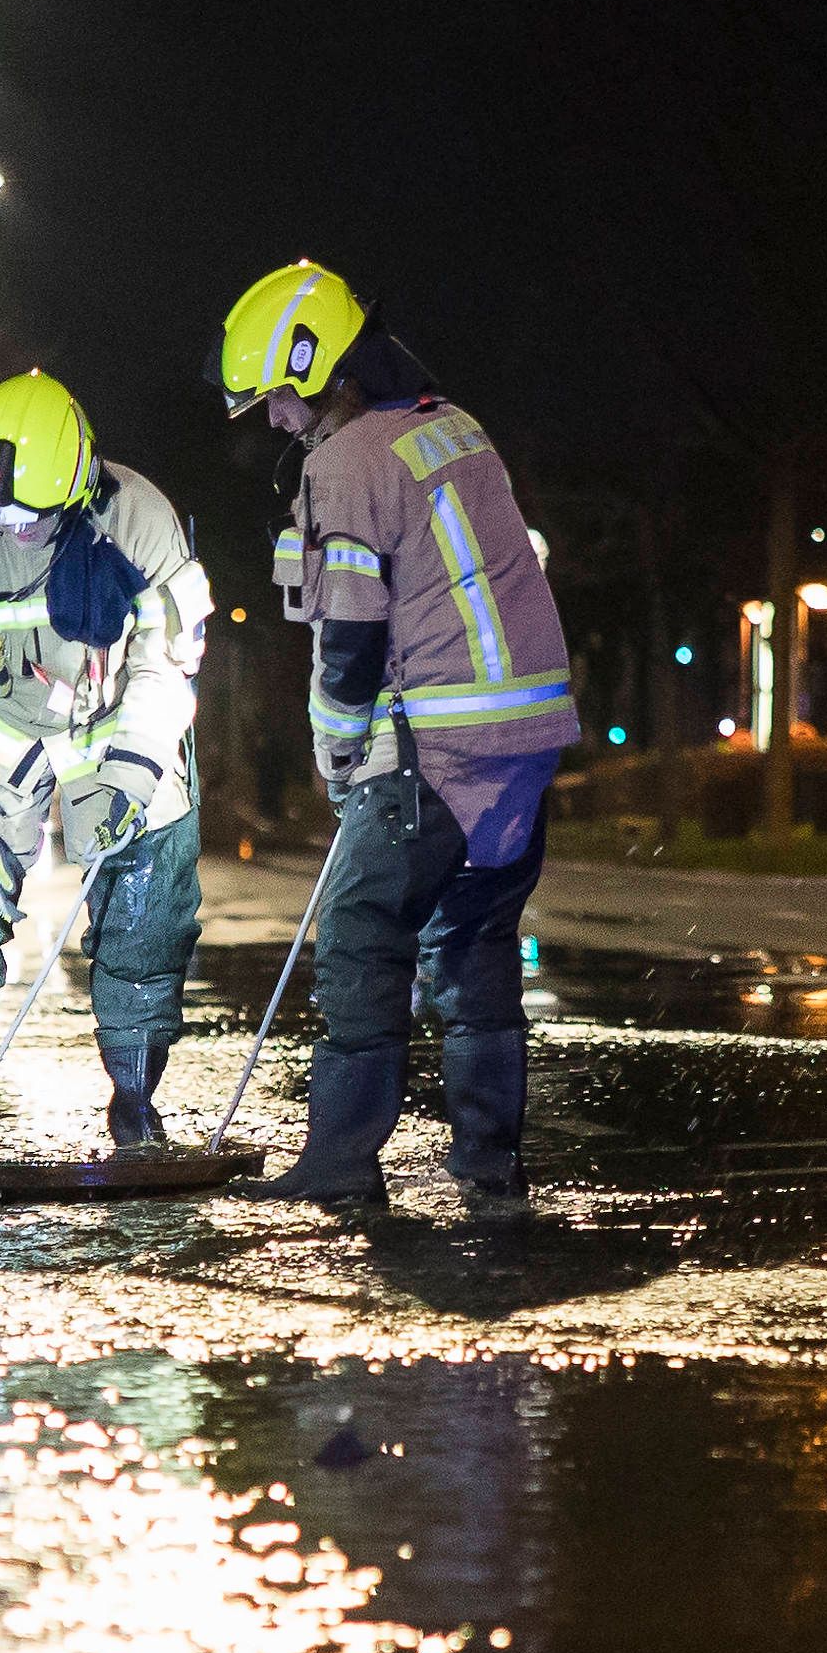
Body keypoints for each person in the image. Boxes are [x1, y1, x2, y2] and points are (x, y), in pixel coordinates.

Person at [217, 261, 577, 1216]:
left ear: (325, 368)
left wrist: (338, 751)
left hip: (437, 743)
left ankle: (340, 1159)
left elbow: (353, 636)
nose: (274, 419)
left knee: (361, 936)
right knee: (475, 937)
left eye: (280, 398)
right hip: (527, 731)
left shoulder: (348, 461)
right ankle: (491, 1162)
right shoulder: (456, 427)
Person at [0, 369, 212, 1155]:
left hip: (118, 735)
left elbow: (164, 668)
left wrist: (133, 778)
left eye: (31, 515)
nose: (10, 529)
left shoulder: (138, 520)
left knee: (146, 918)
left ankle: (136, 1105)